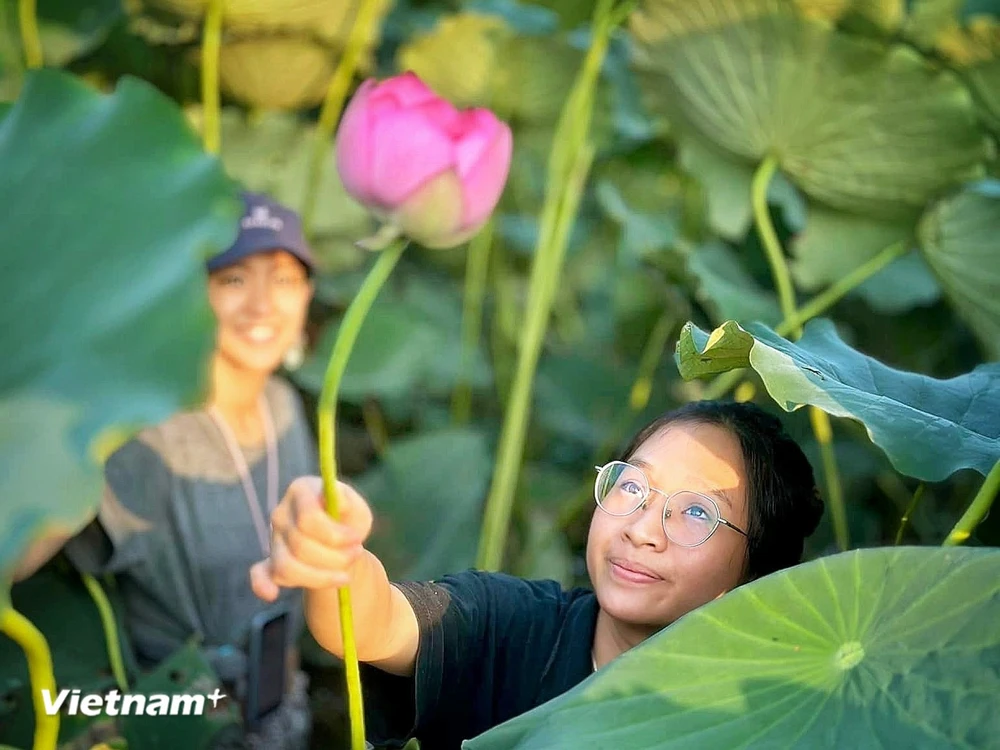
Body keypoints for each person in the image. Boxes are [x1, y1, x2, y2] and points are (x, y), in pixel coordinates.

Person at [250, 399, 826, 749]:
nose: (642, 528)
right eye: (633, 486)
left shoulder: (765, 719)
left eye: (696, 512)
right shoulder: (511, 625)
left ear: (757, 568)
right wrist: (332, 552)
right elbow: (376, 622)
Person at [13, 192, 320, 750]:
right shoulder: (139, 428)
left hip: (284, 708)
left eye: (283, 279)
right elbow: (16, 545)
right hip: (177, 723)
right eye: (232, 279)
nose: (261, 306)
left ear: (308, 294)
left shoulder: (285, 406)